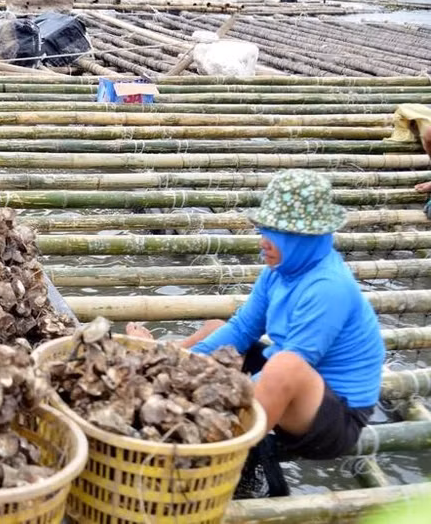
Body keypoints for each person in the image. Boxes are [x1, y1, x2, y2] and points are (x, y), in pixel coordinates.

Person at [128, 169, 386, 498]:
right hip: (295, 380)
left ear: (306, 236)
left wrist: (212, 398)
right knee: (217, 330)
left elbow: (295, 363)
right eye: (265, 228)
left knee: (283, 366)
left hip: (336, 415)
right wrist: (179, 365)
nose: (264, 239)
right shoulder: (278, 271)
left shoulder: (328, 287)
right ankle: (166, 367)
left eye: (277, 232)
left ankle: (218, 453)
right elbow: (243, 328)